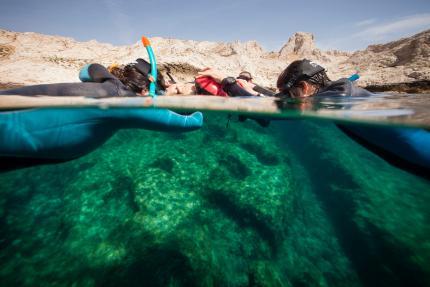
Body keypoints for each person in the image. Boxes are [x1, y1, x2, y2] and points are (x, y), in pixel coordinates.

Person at [275, 58, 430, 178]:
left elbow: (296, 111)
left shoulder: (333, 100)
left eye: (286, 94)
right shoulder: (342, 93)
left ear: (304, 87)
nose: (285, 100)